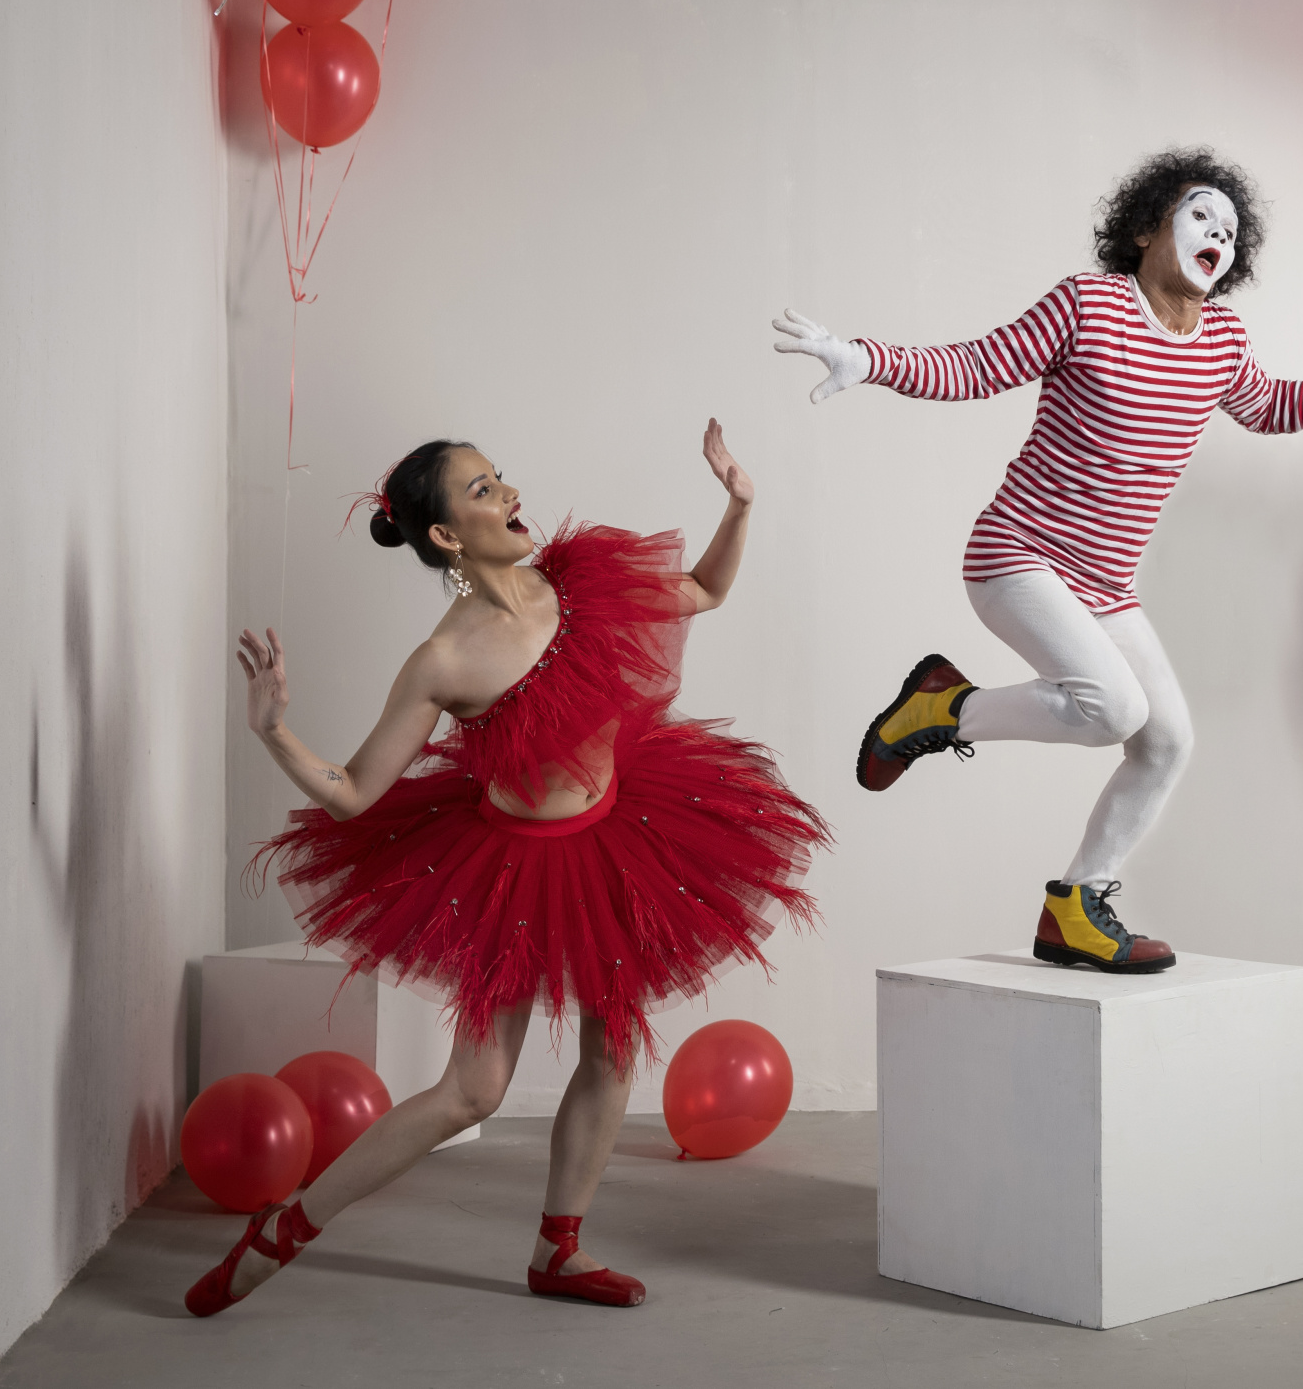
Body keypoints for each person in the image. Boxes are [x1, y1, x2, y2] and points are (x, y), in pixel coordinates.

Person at [186, 423, 827, 1315]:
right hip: (514, 873)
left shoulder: (579, 580)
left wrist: (740, 505)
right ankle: (282, 1232)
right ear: (445, 534)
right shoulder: (443, 661)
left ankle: (559, 1250)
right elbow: (353, 793)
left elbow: (706, 590)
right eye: (483, 490)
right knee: (472, 1091)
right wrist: (273, 732)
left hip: (620, 838)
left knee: (614, 1046)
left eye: (502, 478)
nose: (511, 494)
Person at [772, 148, 1303, 972]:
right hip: (1017, 555)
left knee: (1167, 742)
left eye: (1229, 231)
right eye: (1199, 216)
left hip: (1105, 585)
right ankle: (940, 711)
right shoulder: (1090, 305)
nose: (1217, 235)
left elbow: (1269, 406)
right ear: (1147, 228)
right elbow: (976, 366)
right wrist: (867, 359)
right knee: (1114, 708)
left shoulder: (1221, 340)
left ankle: (1073, 908)